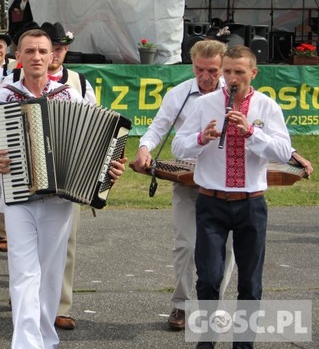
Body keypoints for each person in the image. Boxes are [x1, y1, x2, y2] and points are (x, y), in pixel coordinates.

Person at [132, 40, 314, 331]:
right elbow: (160, 128)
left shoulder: (246, 97)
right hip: (191, 176)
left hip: (233, 189)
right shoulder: (182, 95)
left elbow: (273, 137)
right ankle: (181, 304)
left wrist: (285, 150)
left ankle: (213, 307)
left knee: (227, 251)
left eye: (214, 71)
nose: (206, 76)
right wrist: (145, 147)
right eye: (199, 70)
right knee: (186, 244)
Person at [0, 28, 125, 349]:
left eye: (43, 51)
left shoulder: (69, 94)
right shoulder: (4, 94)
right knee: (24, 271)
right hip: (18, 195)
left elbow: (98, 141)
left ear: (52, 55)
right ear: (19, 56)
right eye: (30, 51)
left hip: (61, 196)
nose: (37, 57)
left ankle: (46, 338)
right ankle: (26, 344)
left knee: (51, 272)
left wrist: (110, 168)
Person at [172, 45, 293, 349]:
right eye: (227, 71)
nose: (232, 78)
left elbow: (283, 151)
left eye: (239, 72)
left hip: (251, 203)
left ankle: (243, 344)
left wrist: (253, 133)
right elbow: (178, 147)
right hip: (211, 202)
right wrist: (202, 138)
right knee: (209, 278)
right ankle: (207, 340)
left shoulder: (267, 107)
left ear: (253, 73)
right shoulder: (207, 105)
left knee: (250, 283)